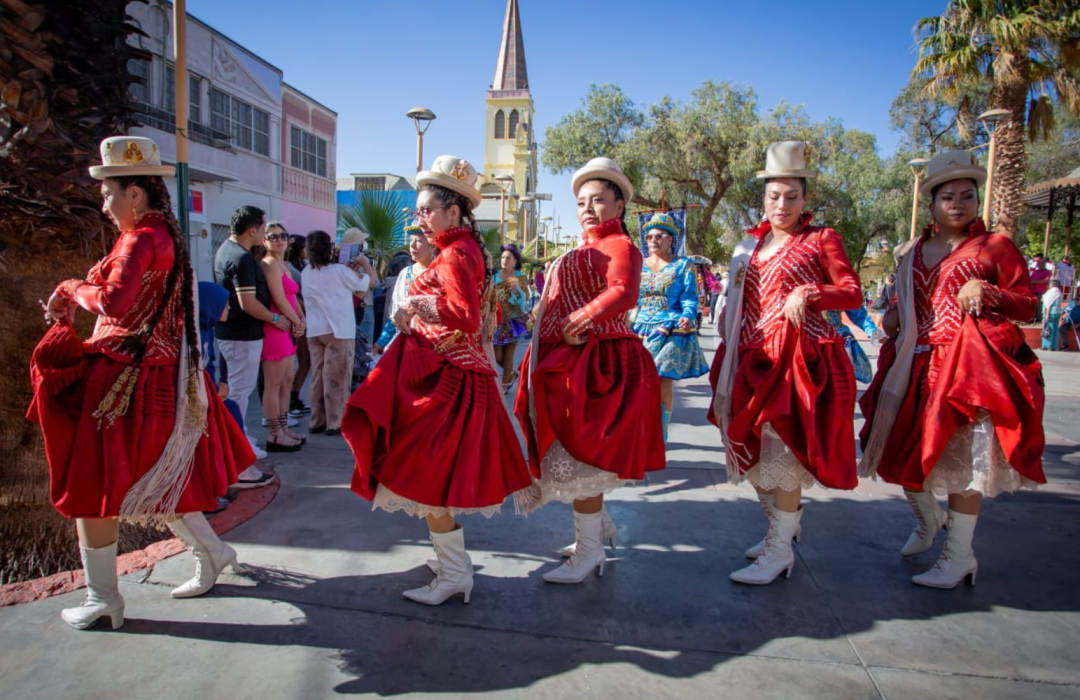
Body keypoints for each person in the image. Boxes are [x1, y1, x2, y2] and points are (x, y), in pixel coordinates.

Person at [30, 136, 255, 630]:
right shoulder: (163, 234)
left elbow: (113, 303)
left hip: (124, 381)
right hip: (155, 379)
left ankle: (103, 597)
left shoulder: (139, 238)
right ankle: (212, 552)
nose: (105, 205)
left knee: (94, 486)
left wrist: (70, 288)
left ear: (135, 193)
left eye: (109, 194)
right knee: (163, 480)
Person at [342, 155, 535, 605]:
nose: (420, 217)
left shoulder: (456, 252)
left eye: (427, 209)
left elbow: (465, 317)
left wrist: (415, 309)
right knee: (430, 473)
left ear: (454, 211)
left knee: (427, 472)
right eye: (419, 209)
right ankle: (452, 564)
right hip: (443, 374)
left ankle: (454, 573)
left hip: (448, 383)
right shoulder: (463, 248)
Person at [859, 150, 1045, 588]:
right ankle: (928, 523)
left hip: (968, 368)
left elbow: (1028, 304)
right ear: (932, 204)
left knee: (964, 467)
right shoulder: (914, 250)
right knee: (900, 455)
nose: (958, 204)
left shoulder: (994, 247)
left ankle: (959, 555)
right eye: (948, 197)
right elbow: (903, 310)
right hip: (913, 364)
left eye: (967, 195)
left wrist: (989, 291)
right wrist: (892, 319)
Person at [708, 141, 863, 585]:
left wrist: (813, 293)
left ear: (805, 199)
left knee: (784, 454)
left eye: (791, 196)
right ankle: (780, 530)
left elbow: (851, 292)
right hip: (749, 359)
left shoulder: (821, 239)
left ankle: (779, 551)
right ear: (763, 198)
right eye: (774, 196)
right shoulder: (749, 246)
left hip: (798, 360)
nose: (782, 205)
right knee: (750, 451)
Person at [515, 157, 666, 583]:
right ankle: (595, 530)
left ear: (619, 206)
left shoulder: (620, 247)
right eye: (582, 201)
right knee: (576, 453)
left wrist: (577, 322)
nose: (587, 207)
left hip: (601, 365)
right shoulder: (581, 249)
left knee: (583, 456)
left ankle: (589, 549)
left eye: (598, 199)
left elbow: (623, 291)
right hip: (572, 361)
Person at [215, 205, 288, 480]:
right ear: (252, 229)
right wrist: (274, 318)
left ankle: (240, 441)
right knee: (238, 394)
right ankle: (237, 453)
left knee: (236, 392)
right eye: (264, 227)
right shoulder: (242, 258)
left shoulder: (227, 250)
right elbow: (248, 302)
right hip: (242, 335)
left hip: (234, 334)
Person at [632, 212, 709, 439]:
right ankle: (640, 424)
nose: (653, 240)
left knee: (662, 377)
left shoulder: (683, 265)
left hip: (670, 328)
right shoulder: (638, 265)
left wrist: (687, 314)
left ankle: (661, 429)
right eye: (649, 237)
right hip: (640, 329)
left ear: (670, 239)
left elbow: (689, 296)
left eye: (659, 236)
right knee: (638, 379)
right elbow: (630, 296)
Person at [301, 230, 371, 437]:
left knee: (318, 377)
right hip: (338, 330)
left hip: (315, 330)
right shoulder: (338, 272)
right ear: (329, 248)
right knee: (338, 378)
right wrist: (365, 265)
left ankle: (317, 419)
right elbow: (366, 283)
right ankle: (335, 421)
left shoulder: (307, 272)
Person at [257, 224, 307, 451]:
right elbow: (279, 299)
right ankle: (275, 433)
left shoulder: (284, 265)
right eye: (273, 236)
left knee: (287, 381)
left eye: (283, 235)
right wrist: (297, 321)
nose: (279, 240)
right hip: (275, 328)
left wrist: (301, 319)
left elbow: (292, 296)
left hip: (288, 327)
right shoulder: (268, 264)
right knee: (273, 384)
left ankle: (284, 428)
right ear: (264, 240)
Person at [373, 225, 437, 354]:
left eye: (418, 241)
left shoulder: (440, 272)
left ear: (432, 246)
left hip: (432, 340)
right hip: (405, 337)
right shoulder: (405, 273)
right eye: (411, 241)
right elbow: (397, 311)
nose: (412, 246)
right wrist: (382, 340)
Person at [493, 244, 532, 392]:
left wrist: (517, 293)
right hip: (497, 320)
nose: (504, 260)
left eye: (508, 258)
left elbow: (524, 299)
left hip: (515, 321)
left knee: (509, 355)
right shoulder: (494, 275)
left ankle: (504, 386)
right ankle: (511, 374)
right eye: (503, 257)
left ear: (514, 260)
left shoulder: (519, 277)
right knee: (497, 356)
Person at [285, 233, 312, 417]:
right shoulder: (286, 267)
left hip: (304, 316)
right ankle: (290, 399)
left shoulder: (302, 266)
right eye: (305, 248)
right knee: (303, 360)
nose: (308, 251)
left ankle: (294, 396)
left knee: (305, 361)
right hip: (296, 317)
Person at [825, 306, 879, 384]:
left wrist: (873, 332)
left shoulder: (844, 293)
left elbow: (858, 313)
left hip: (837, 344)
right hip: (807, 342)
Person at [1042, 280, 1063, 351]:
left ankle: (1046, 345)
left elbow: (1048, 304)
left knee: (1049, 328)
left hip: (1051, 312)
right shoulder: (1059, 292)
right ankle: (1054, 346)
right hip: (1057, 312)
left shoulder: (1052, 292)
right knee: (1055, 329)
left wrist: (1047, 314)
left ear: (1052, 284)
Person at [1029, 254, 1051, 323]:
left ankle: (1038, 318)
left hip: (1041, 291)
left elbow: (1045, 280)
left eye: (1041, 264)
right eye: (1038, 264)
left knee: (1039, 306)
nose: (1039, 265)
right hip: (1033, 290)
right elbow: (1030, 279)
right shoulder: (1035, 272)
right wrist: (1031, 283)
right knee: (1033, 305)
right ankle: (1032, 318)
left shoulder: (1047, 272)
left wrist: (1034, 282)